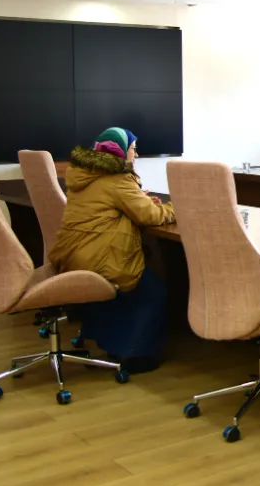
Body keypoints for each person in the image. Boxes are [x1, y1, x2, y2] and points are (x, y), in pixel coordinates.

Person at [49, 127, 175, 373]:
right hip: (99, 257)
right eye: (133, 149)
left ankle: (105, 340)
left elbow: (109, 205)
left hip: (75, 254)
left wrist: (139, 199)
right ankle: (136, 355)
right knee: (152, 292)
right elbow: (149, 216)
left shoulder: (86, 174)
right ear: (118, 151)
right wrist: (175, 208)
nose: (136, 155)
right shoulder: (117, 178)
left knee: (135, 285)